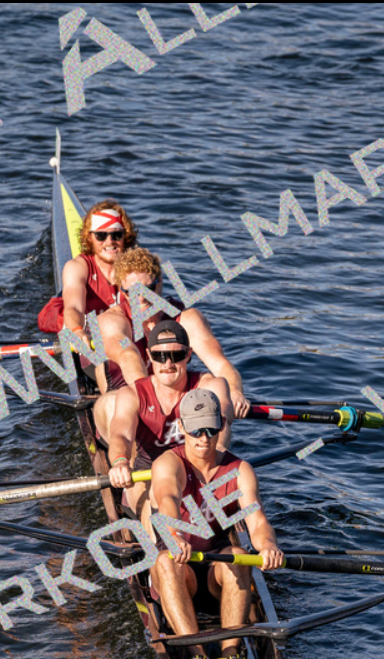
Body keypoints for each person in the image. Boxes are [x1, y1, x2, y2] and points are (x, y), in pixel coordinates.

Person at [146, 389, 283, 659]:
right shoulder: (168, 464)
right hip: (176, 572)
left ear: (221, 425)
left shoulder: (240, 470)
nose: (204, 438)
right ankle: (197, 656)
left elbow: (257, 522)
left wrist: (268, 546)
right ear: (182, 426)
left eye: (210, 429)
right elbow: (168, 500)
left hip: (215, 578)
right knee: (166, 561)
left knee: (239, 556)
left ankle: (230, 653)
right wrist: (175, 535)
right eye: (196, 430)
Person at [103, 320, 233, 517]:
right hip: (147, 475)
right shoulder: (132, 394)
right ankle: (163, 543)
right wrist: (120, 462)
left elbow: (222, 419)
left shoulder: (209, 386)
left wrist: (218, 456)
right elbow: (121, 435)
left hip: (199, 471)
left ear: (189, 355)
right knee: (156, 500)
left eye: (177, 356)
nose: (168, 364)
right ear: (149, 356)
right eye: (160, 356)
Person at [104, 248, 250, 420]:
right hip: (128, 396)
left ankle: (214, 443)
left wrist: (234, 391)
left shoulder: (186, 318)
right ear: (122, 292)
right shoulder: (112, 321)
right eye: (132, 292)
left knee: (215, 385)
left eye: (147, 289)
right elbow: (128, 355)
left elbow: (219, 363)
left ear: (159, 284)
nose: (141, 298)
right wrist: (151, 405)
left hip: (172, 395)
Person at [44, 200, 137, 347]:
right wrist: (77, 330)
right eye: (101, 235)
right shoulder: (76, 267)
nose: (110, 241)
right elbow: (74, 307)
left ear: (126, 236)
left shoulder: (140, 267)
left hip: (118, 330)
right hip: (85, 326)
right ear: (89, 238)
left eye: (117, 235)